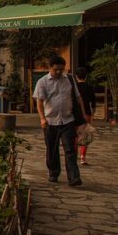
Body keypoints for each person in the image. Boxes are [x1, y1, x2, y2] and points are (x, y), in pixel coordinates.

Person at [33, 56, 87, 186]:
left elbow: (78, 98)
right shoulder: (42, 82)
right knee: (52, 149)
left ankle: (73, 177)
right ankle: (53, 172)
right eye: (56, 69)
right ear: (50, 68)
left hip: (68, 119)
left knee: (70, 149)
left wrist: (84, 115)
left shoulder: (69, 79)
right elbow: (39, 102)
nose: (58, 72)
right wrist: (42, 118)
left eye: (61, 69)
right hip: (50, 121)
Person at [74, 66, 97, 165]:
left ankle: (73, 157)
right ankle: (82, 157)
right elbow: (94, 103)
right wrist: (92, 114)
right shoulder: (90, 87)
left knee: (74, 136)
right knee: (85, 136)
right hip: (86, 114)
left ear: (76, 76)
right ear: (86, 76)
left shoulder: (74, 87)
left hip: (74, 114)